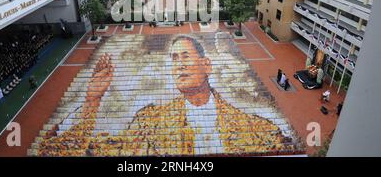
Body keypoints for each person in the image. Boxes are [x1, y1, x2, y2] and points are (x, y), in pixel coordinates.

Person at [38, 36, 291, 156]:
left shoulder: (258, 129)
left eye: (186, 58)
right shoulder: (149, 123)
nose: (179, 65)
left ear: (206, 65)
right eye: (174, 59)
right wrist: (92, 102)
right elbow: (70, 151)